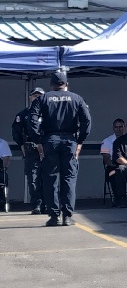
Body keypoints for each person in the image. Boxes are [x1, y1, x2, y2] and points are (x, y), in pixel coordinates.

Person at [29, 71, 92, 227]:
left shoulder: (43, 98)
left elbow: (32, 120)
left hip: (49, 140)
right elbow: (87, 121)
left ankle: (53, 216)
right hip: (70, 140)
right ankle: (67, 216)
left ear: (51, 84)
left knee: (51, 179)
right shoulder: (77, 98)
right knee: (69, 179)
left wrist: (38, 140)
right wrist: (80, 140)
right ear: (66, 84)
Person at [12, 87, 46, 214]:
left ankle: (47, 204)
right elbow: (16, 131)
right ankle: (36, 205)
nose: (37, 98)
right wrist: (21, 144)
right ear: (30, 97)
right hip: (31, 149)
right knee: (33, 178)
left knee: (48, 177)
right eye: (34, 96)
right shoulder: (23, 114)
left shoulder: (49, 113)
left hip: (47, 148)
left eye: (40, 96)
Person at [100, 118, 126, 205]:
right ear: (113, 128)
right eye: (116, 127)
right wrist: (113, 165)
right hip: (112, 167)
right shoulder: (106, 141)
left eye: (121, 127)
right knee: (116, 172)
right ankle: (118, 197)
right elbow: (106, 158)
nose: (119, 129)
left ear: (124, 127)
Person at [0, 138, 11, 207]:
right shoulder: (2, 143)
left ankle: (2, 201)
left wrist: (3, 169)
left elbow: (6, 159)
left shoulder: (2, 143)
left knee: (3, 177)